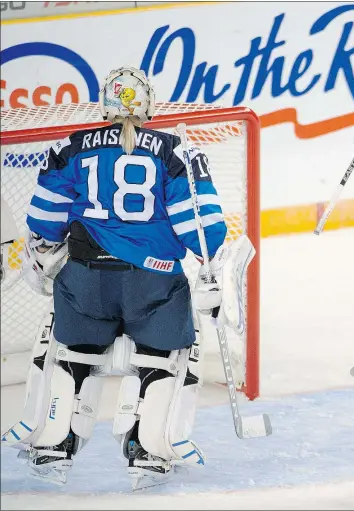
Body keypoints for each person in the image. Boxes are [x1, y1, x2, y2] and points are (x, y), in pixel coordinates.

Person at [1, 66, 230, 490]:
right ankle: (147, 450)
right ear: (148, 104)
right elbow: (203, 228)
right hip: (154, 281)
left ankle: (55, 442)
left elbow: (45, 219)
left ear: (105, 105)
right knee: (163, 357)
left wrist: (45, 251)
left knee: (74, 353)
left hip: (86, 280)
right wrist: (214, 267)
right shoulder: (175, 151)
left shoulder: (70, 148)